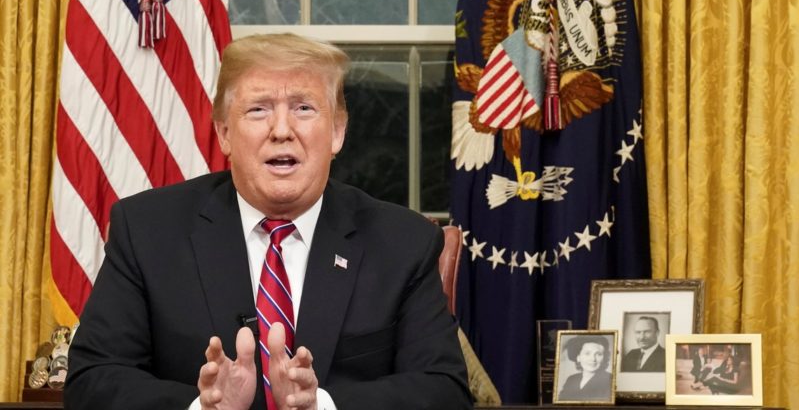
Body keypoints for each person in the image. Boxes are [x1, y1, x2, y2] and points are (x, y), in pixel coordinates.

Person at [64, 33, 471, 410]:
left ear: (337, 132)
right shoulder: (147, 231)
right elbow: (91, 380)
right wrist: (201, 408)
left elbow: (444, 390)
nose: (281, 130)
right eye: (258, 109)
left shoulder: (403, 243)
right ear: (224, 133)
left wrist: (323, 406)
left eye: (303, 108)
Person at [557, 335, 613, 401]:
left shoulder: (609, 380)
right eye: (587, 353)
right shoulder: (571, 379)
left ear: (604, 358)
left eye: (598, 354)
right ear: (578, 357)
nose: (593, 359)